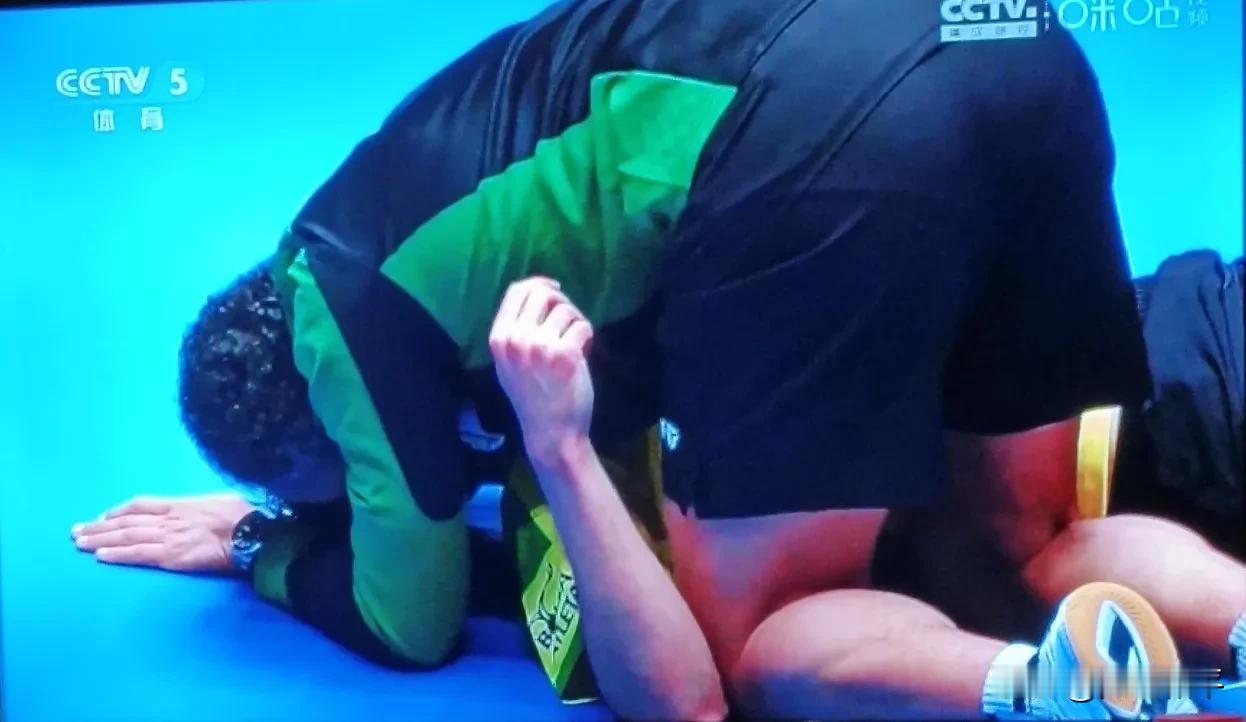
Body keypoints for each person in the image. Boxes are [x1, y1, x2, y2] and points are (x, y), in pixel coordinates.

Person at [70, 0, 1246, 718]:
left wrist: (264, 541)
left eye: (331, 491)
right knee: (1028, 544)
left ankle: (1036, 697)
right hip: (1006, 39)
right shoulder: (404, 201)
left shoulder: (334, 313)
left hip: (812, 131)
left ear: (325, 434)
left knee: (762, 641)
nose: (356, 505)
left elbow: (407, 618)